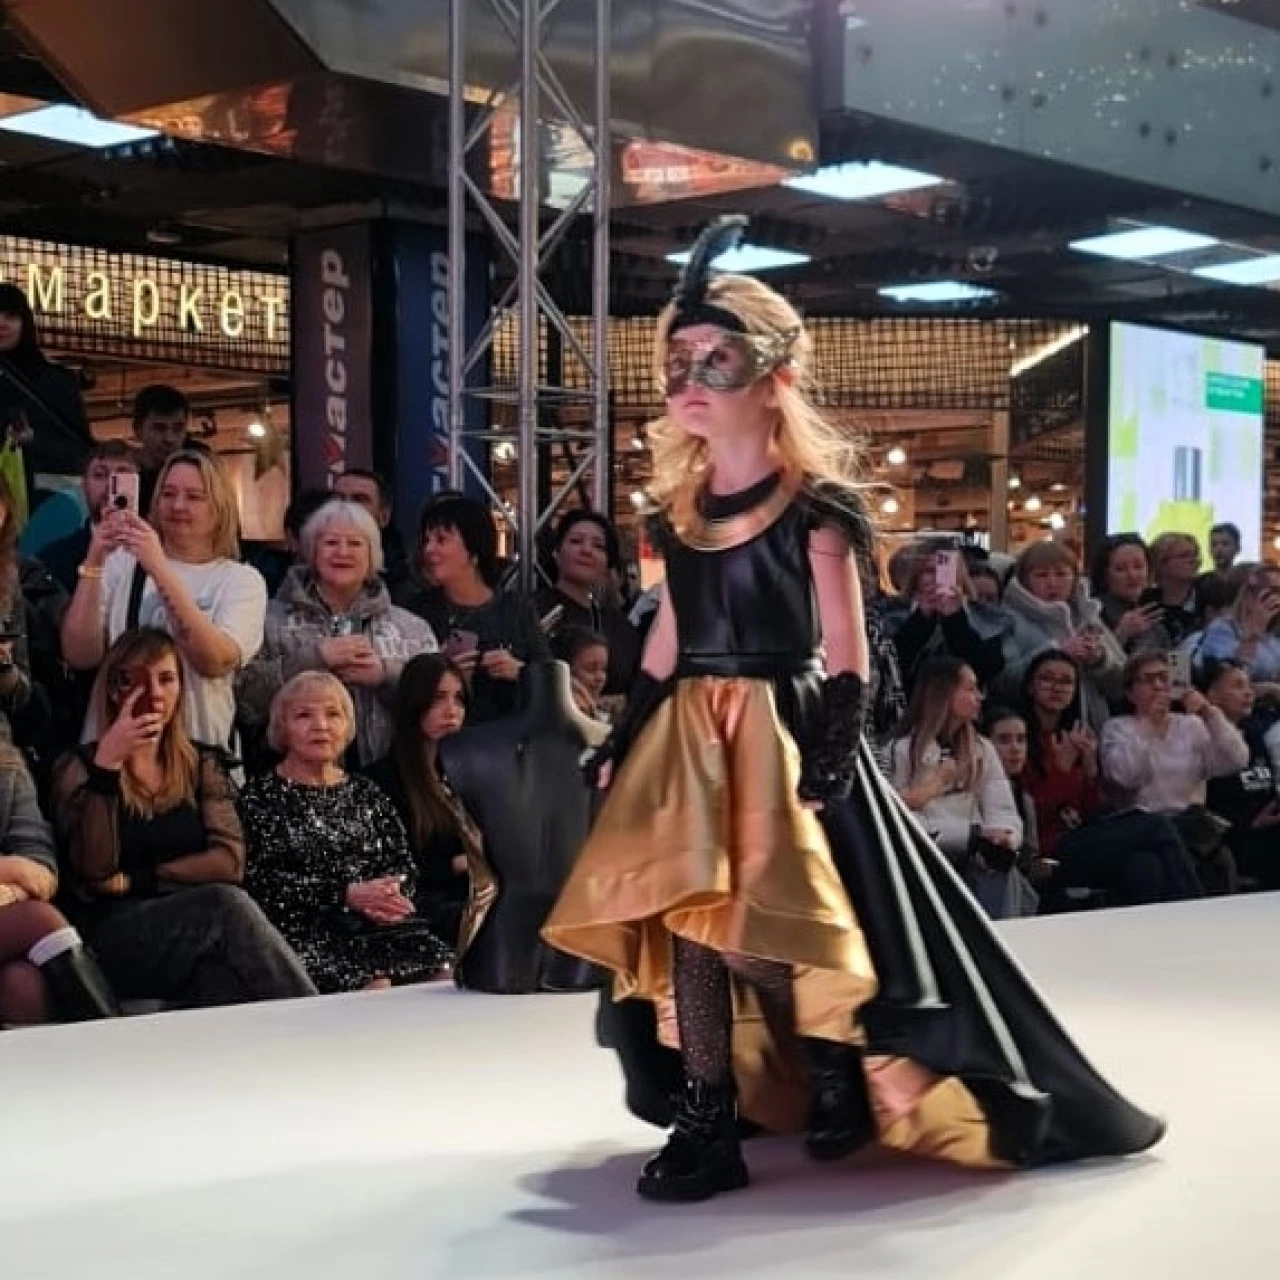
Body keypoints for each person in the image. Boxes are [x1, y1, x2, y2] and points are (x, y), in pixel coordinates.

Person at [541, 216, 1164, 1205]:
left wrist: (830, 752)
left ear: (774, 376)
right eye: (676, 361)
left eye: (715, 357)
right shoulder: (676, 513)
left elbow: (847, 649)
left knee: (782, 920)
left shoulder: (815, 507)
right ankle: (708, 1112)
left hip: (784, 730)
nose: (689, 377)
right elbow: (668, 637)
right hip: (693, 736)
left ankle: (831, 1049)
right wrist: (625, 733)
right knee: (693, 924)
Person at [50, 628, 316, 1008]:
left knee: (222, 980)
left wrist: (137, 879)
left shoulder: (201, 762)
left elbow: (229, 862)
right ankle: (315, 1017)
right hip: (112, 934)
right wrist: (107, 768)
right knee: (225, 905)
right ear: (115, 689)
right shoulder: (79, 767)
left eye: (167, 679)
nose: (155, 693)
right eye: (139, 680)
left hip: (196, 926)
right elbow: (94, 871)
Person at [240, 671, 454, 992]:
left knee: (445, 975)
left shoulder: (367, 791)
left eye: (333, 714)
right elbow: (261, 883)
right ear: (282, 727)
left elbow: (402, 864)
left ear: (347, 726)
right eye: (304, 715)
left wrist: (389, 897)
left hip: (379, 927)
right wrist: (344, 895)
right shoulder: (259, 797)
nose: (321, 726)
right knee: (376, 986)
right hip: (306, 931)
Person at [61, 448, 267, 753]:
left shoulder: (241, 580)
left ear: (220, 508)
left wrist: (158, 568)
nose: (178, 506)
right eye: (168, 494)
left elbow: (215, 660)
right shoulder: (122, 564)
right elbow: (80, 655)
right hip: (117, 749)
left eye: (194, 497)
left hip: (196, 750)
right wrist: (94, 560)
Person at [237, 499, 437, 768]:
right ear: (312, 551)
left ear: (372, 555)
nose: (343, 552)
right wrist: (313, 659)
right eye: (331, 542)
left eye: (355, 543)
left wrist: (385, 674)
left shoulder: (411, 627)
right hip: (293, 777)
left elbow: (440, 702)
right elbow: (244, 700)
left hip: (393, 777)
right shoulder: (268, 620)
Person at [362, 653, 495, 950]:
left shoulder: (473, 774)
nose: (451, 711)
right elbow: (392, 873)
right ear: (414, 704)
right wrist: (459, 864)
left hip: (478, 894)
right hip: (423, 910)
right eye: (438, 698)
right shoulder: (381, 781)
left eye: (459, 699)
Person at [397, 493, 550, 723]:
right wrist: (440, 671)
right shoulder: (416, 612)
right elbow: (404, 693)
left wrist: (520, 672)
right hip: (446, 736)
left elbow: (550, 679)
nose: (429, 549)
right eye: (426, 540)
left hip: (510, 734)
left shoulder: (516, 609)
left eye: (441, 540)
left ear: (474, 550)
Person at [0, 741, 120, 1024]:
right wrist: (13, 869)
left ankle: (97, 1042)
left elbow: (43, 872)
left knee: (22, 984)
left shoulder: (6, 767)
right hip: (24, 916)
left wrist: (11, 888)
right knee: (38, 919)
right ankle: (113, 1038)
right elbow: (26, 872)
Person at [0, 283, 94, 517]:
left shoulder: (56, 382)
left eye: (11, 316)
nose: (2, 323)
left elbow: (79, 449)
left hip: (48, 509)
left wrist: (33, 441)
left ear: (25, 323)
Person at [535, 509, 640, 695]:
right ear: (556, 553)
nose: (586, 550)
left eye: (599, 546)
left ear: (608, 564)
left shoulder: (620, 626)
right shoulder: (530, 611)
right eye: (576, 541)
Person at [334, 468, 411, 595]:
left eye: (359, 500)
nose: (346, 507)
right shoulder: (304, 578)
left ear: (384, 517)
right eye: (338, 499)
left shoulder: (407, 589)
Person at [130, 384, 190, 516]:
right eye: (159, 428)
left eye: (178, 428)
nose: (169, 438)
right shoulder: (124, 479)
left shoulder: (196, 478)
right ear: (137, 430)